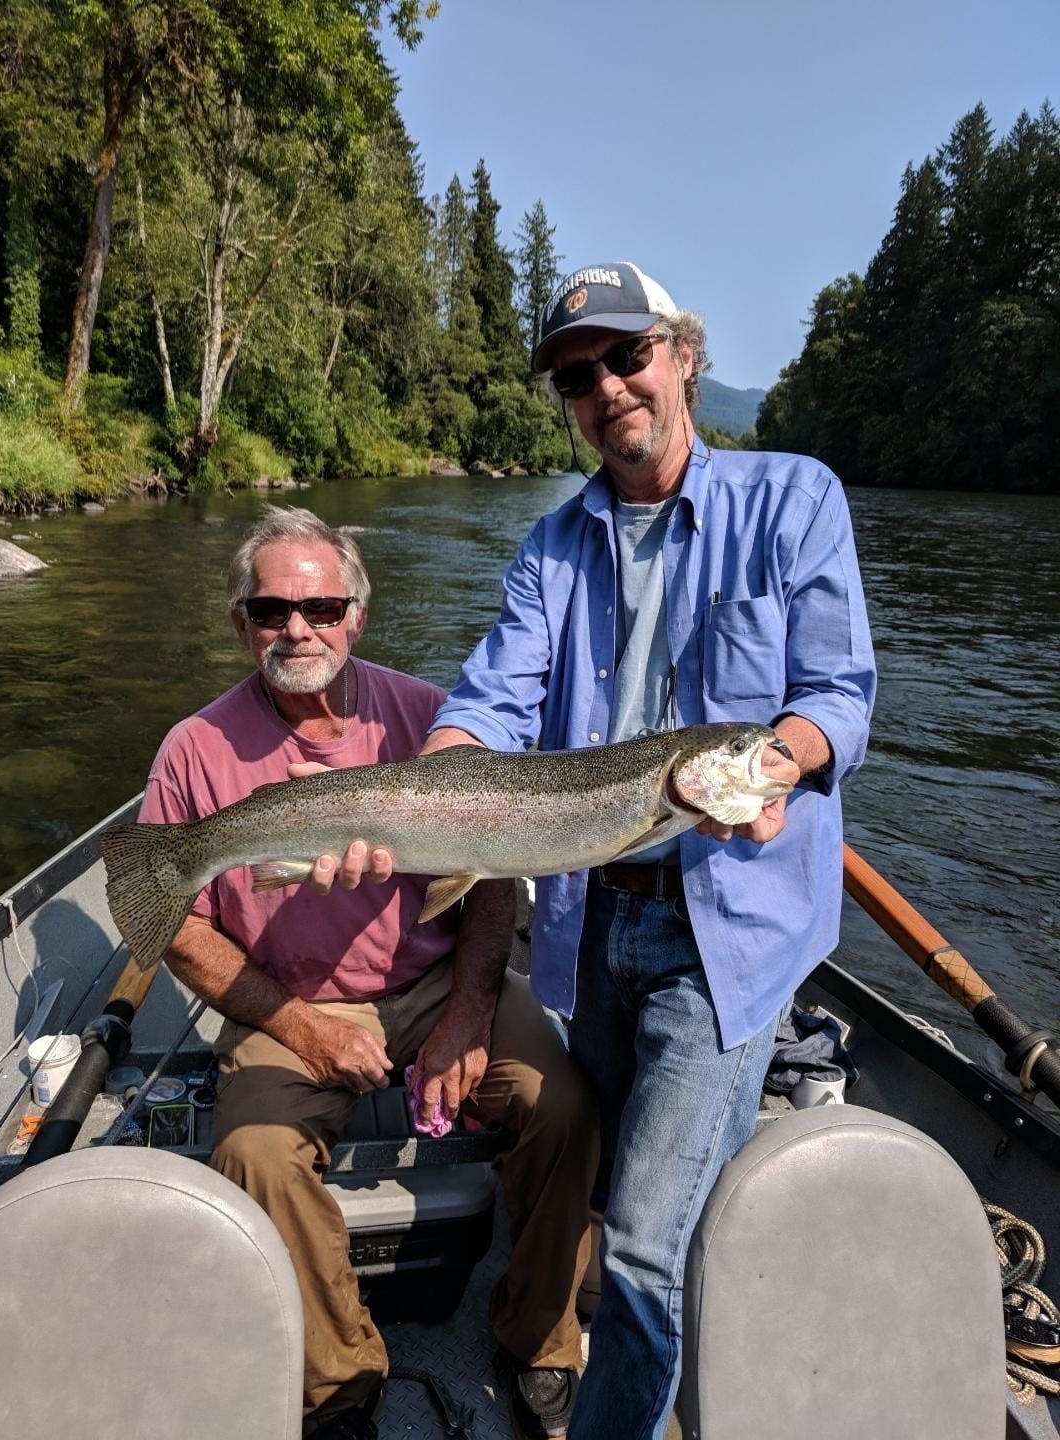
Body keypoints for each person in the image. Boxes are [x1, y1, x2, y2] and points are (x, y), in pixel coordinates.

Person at [347, 262, 877, 1439]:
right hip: (591, 925)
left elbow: (837, 693)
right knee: (605, 1174)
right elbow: (492, 696)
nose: (608, 389)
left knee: (644, 1244)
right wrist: (418, 799)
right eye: (579, 377)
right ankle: (580, 1315)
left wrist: (778, 763)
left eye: (627, 356)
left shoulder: (795, 499)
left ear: (683, 354)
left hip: (725, 931)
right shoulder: (551, 548)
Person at [137, 505, 598, 1440]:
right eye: (270, 610)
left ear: (356, 616)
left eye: (320, 607)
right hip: (286, 997)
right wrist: (304, 1028)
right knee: (254, 1157)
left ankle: (536, 1338)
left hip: (435, 982)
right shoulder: (193, 749)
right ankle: (342, 1379)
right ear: (241, 623)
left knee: (566, 1110)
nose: (295, 629)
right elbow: (178, 930)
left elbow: (492, 883)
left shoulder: (434, 719)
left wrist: (471, 1008)